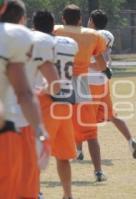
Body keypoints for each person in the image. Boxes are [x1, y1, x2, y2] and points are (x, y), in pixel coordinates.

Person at [1, 1, 58, 198]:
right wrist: (40, 132)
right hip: (12, 125)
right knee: (20, 189)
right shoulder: (20, 37)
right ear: (22, 18)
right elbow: (24, 93)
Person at [75, 9, 136, 161]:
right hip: (103, 82)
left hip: (89, 83)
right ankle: (131, 140)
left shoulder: (90, 36)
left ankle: (79, 151)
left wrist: (82, 66)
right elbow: (105, 61)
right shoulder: (107, 35)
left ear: (91, 20)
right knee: (111, 115)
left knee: (79, 117)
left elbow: (98, 63)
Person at [54, 4, 108, 182]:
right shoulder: (92, 35)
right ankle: (98, 171)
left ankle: (37, 174)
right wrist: (107, 71)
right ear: (80, 19)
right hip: (81, 87)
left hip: (59, 85)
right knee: (90, 133)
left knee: (50, 130)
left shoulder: (55, 31)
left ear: (63, 18)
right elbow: (101, 64)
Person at [33, 11, 79, 199]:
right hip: (65, 102)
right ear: (53, 26)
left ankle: (35, 192)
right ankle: (67, 195)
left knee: (33, 153)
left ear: (34, 26)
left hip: (45, 99)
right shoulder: (69, 43)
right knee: (63, 155)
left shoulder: (37, 42)